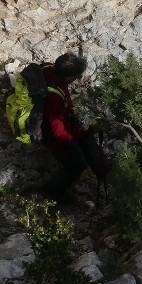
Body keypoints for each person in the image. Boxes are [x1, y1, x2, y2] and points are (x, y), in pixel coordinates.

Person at [38, 52, 108, 203]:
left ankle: (102, 170)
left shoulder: (49, 69)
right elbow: (60, 136)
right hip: (49, 134)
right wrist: (87, 130)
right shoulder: (53, 98)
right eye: (76, 77)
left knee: (86, 138)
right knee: (76, 164)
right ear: (68, 78)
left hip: (57, 120)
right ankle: (51, 191)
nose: (76, 79)